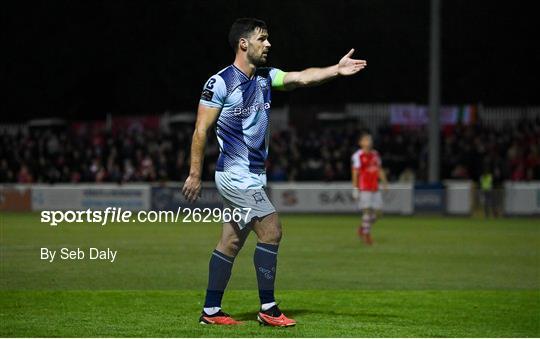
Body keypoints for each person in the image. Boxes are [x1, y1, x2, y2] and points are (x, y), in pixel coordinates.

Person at [182, 18, 366, 326]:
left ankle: (211, 311)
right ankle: (268, 308)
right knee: (272, 230)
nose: (268, 44)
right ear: (244, 43)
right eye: (262, 39)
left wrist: (336, 69)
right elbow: (201, 129)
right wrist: (193, 173)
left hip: (252, 175)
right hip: (235, 173)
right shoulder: (221, 82)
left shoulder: (266, 77)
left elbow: (302, 78)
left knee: (230, 241)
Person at [351, 132, 387, 245]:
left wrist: (384, 182)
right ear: (360, 143)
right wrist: (355, 188)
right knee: (367, 211)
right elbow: (355, 173)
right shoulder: (357, 155)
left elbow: (379, 169)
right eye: (366, 140)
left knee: (379, 213)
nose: (368, 142)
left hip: (375, 187)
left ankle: (362, 228)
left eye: (370, 140)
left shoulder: (375, 154)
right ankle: (367, 236)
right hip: (364, 187)